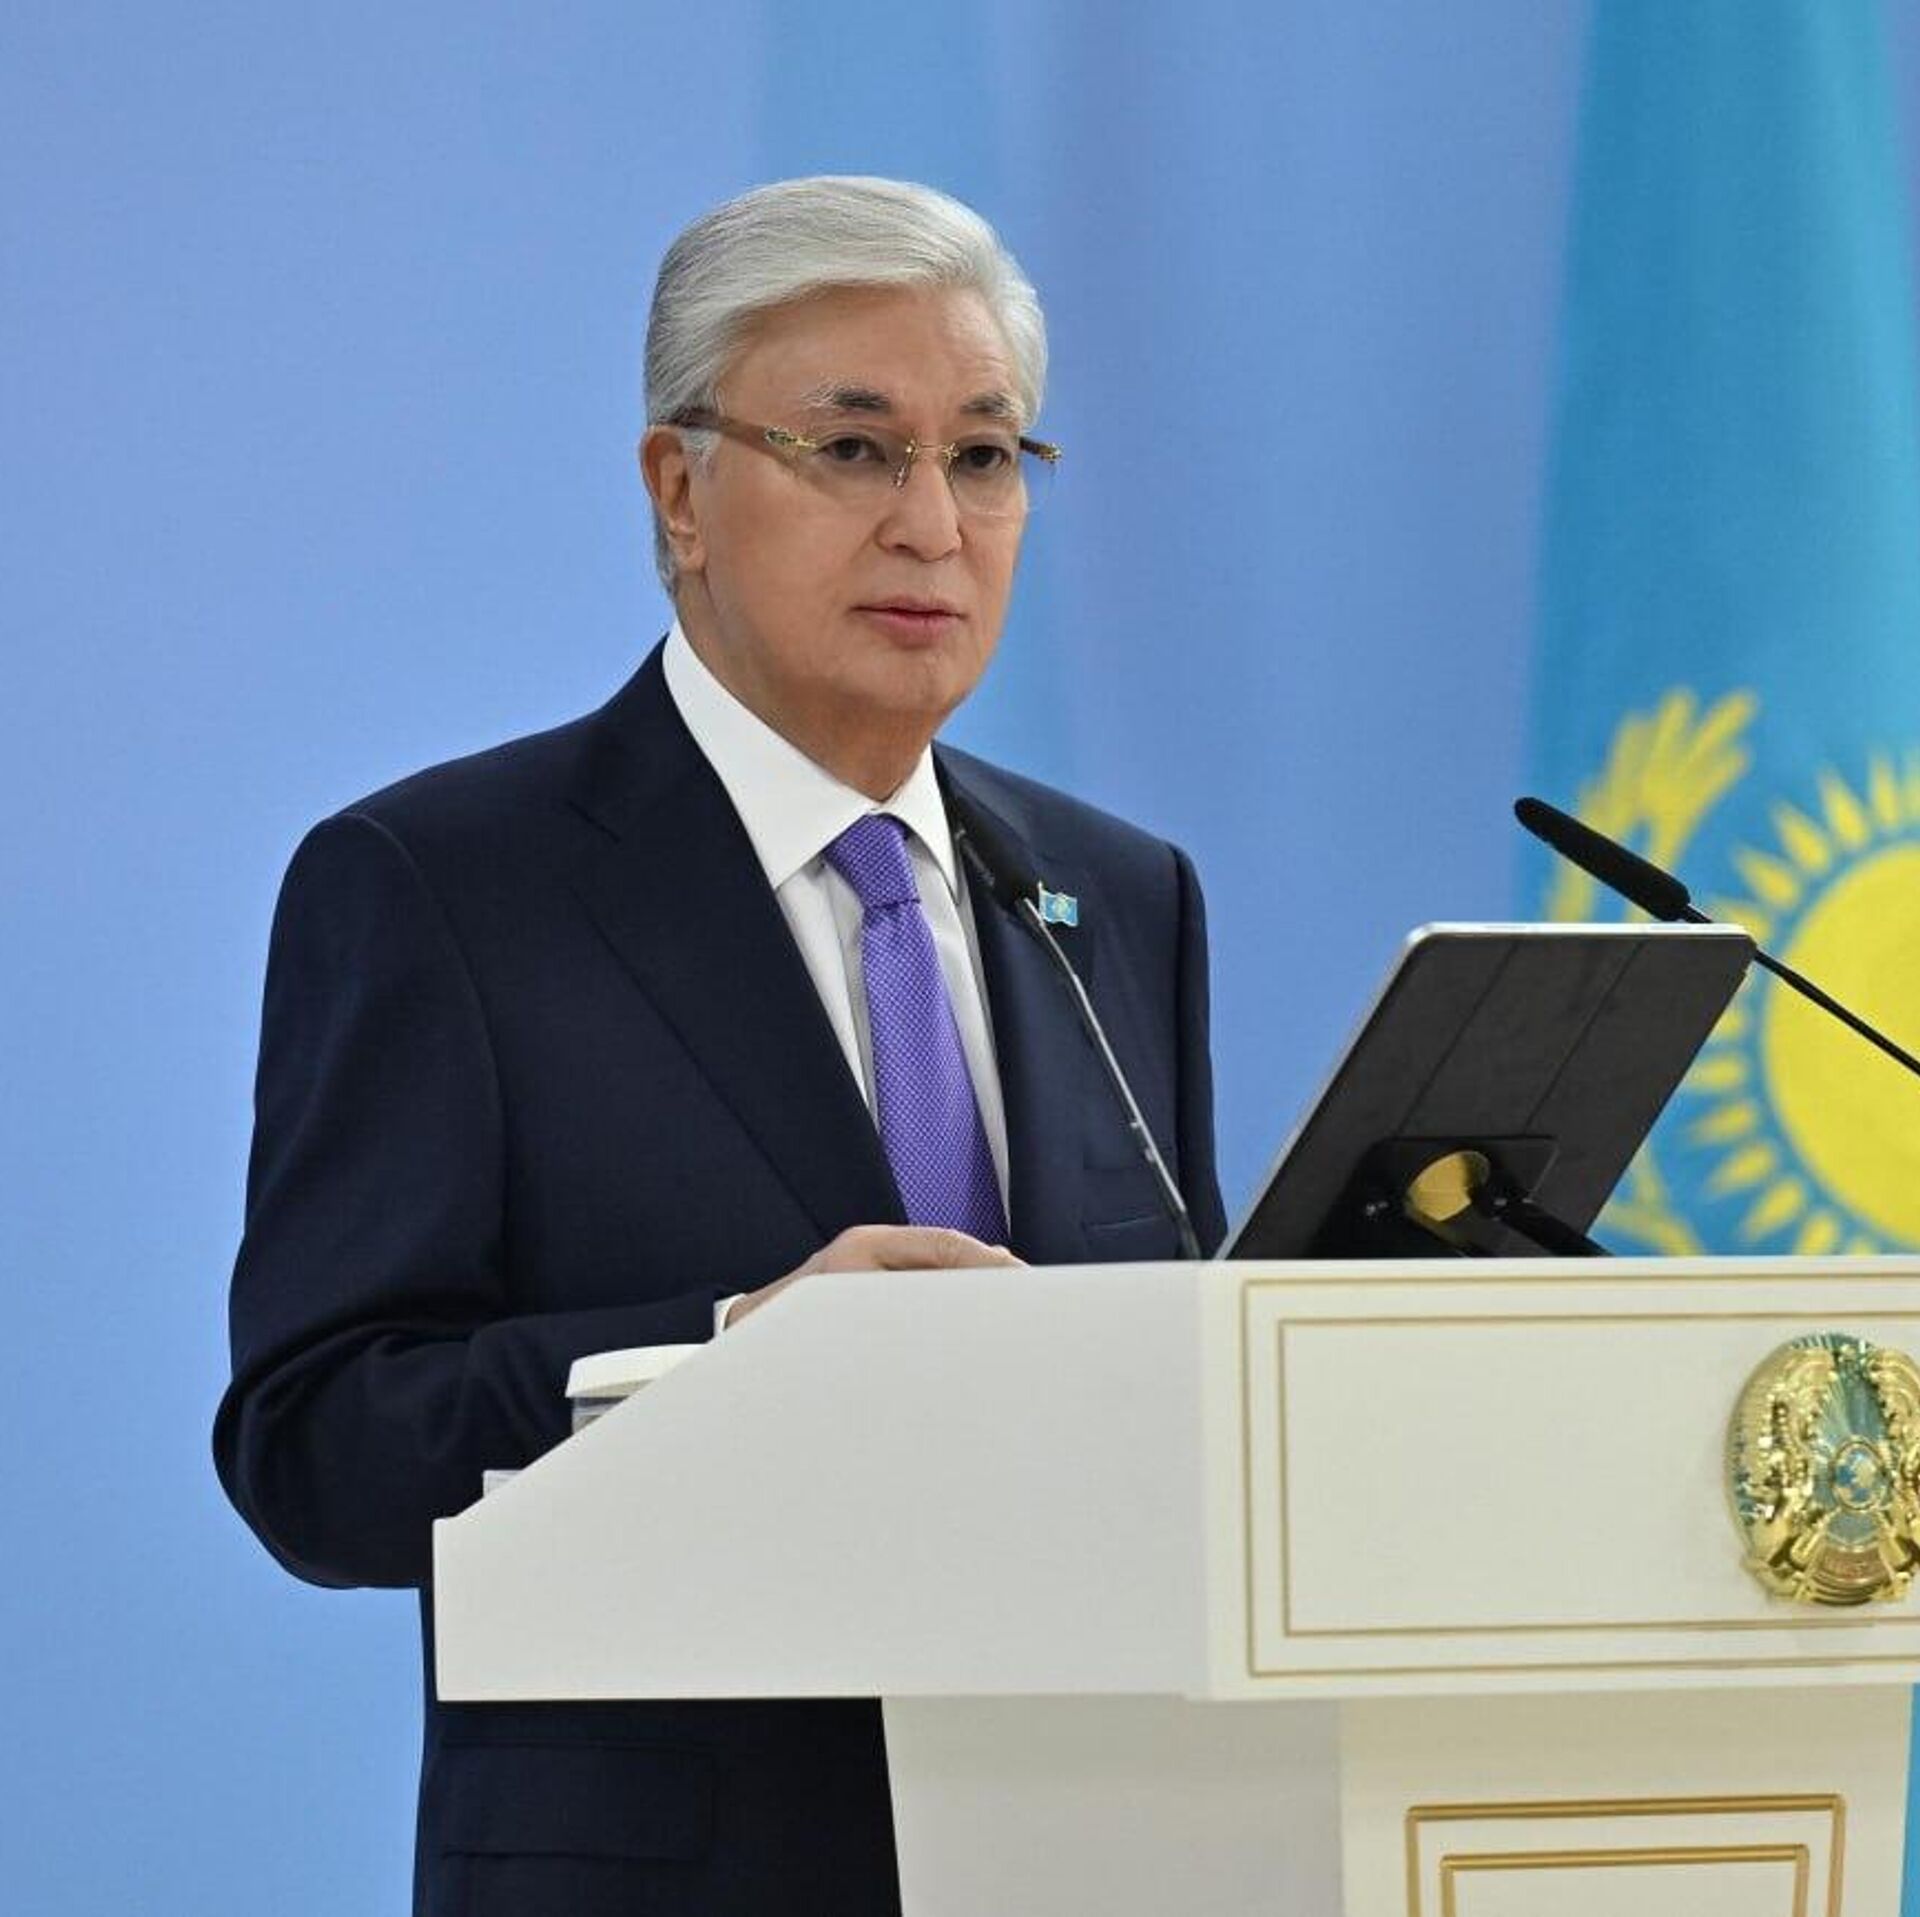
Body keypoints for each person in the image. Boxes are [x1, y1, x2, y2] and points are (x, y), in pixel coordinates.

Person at [214, 175, 1228, 1917]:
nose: (933, 524)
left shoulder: (1117, 894)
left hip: (1104, 1854)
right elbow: (317, 1448)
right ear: (680, 490)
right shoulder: (445, 887)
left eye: (985, 455)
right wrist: (721, 1361)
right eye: (856, 450)